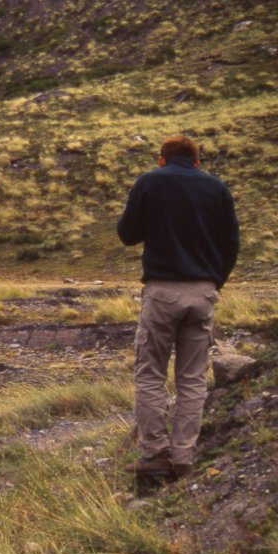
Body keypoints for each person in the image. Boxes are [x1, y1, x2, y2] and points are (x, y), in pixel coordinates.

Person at [117, 135, 239, 478]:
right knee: (193, 378)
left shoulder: (150, 181)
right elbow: (231, 243)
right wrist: (214, 282)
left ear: (162, 160)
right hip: (203, 292)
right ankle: (184, 456)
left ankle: (155, 453)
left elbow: (127, 234)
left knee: (151, 373)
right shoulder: (217, 188)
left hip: (162, 291)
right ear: (197, 162)